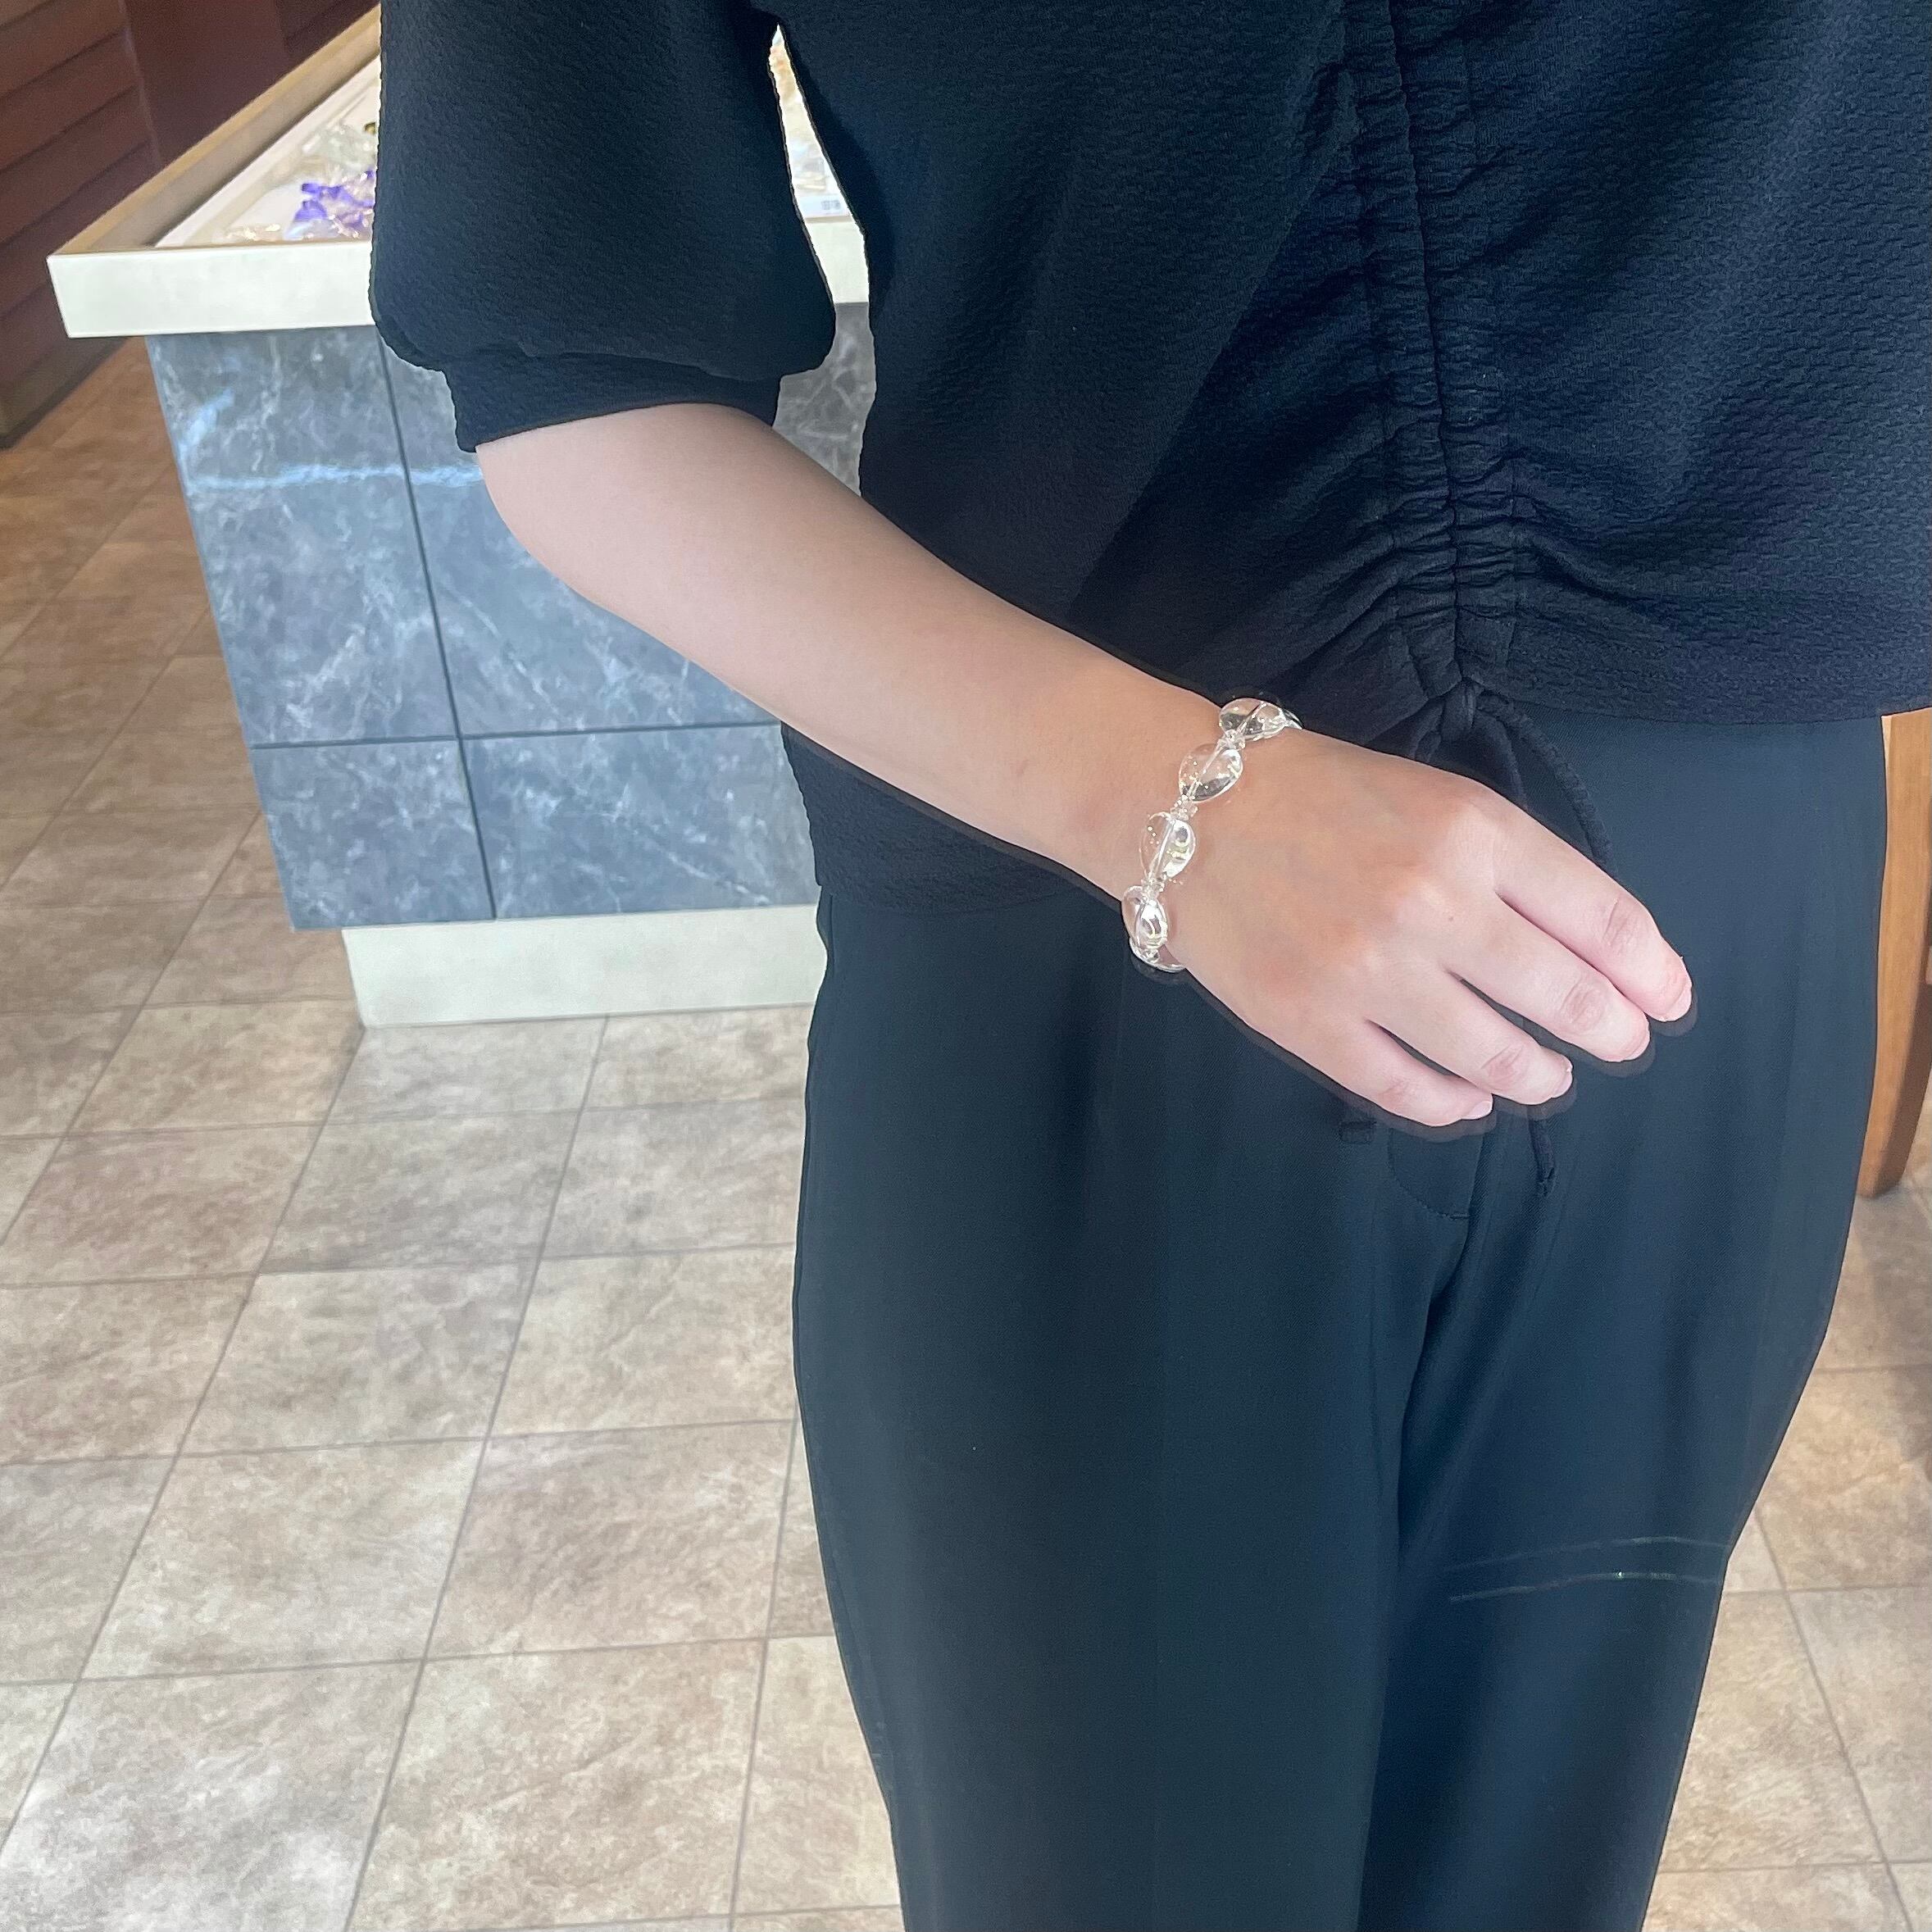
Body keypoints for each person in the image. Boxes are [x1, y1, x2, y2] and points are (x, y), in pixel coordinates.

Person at [367, 2, 1930, 1925]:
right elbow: (570, 376)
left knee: (1538, 1857)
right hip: (1072, 908)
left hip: (1697, 922)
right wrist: (1181, 807)